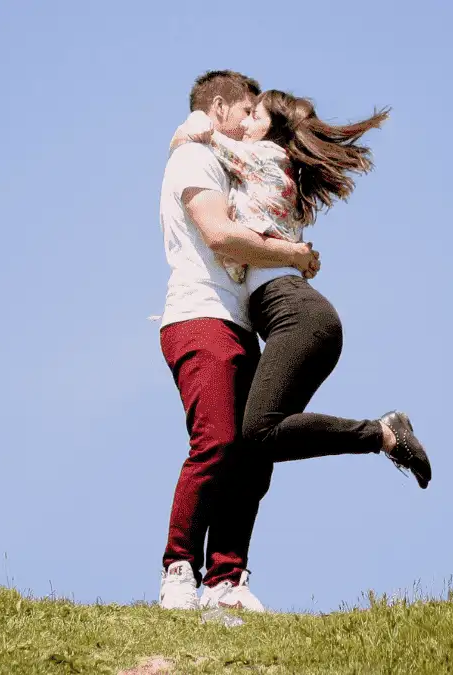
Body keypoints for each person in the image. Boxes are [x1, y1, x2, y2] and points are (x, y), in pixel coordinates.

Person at [167, 89, 433, 610]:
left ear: (269, 129)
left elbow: (193, 138)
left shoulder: (264, 156)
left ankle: (382, 433)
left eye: (255, 115)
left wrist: (199, 122)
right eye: (242, 113)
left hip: (297, 315)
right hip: (298, 316)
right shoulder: (273, 162)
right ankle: (226, 582)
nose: (245, 123)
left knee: (257, 433)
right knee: (254, 444)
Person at [155, 70, 320, 613]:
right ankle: (179, 569)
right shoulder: (195, 157)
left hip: (237, 322)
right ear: (219, 107)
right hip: (201, 314)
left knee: (250, 454)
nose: (252, 120)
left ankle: (225, 580)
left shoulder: (225, 159)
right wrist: (295, 256)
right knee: (217, 444)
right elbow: (220, 234)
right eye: (245, 109)